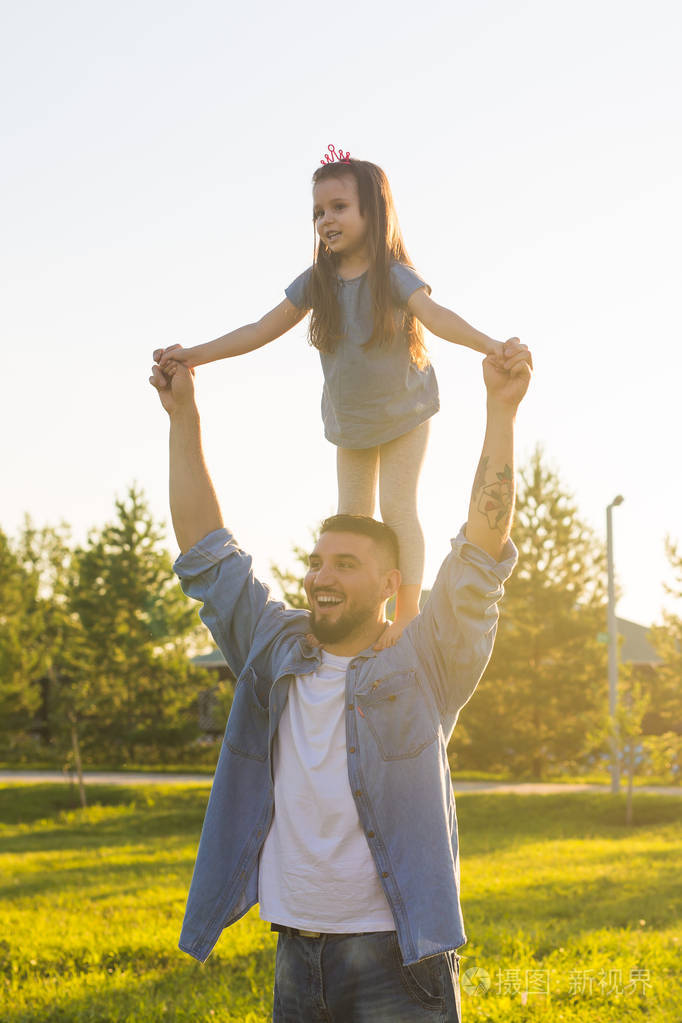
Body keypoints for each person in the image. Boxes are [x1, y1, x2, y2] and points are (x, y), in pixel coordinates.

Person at [149, 337, 533, 1022]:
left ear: (390, 583)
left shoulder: (422, 664)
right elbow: (206, 551)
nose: (321, 574)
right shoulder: (274, 646)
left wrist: (499, 411)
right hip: (299, 956)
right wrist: (184, 418)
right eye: (318, 560)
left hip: (400, 961)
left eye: (345, 563)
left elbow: (480, 556)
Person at [154, 152, 519, 649]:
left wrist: (491, 345)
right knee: (350, 519)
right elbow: (260, 330)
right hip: (350, 425)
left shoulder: (392, 275)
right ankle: (362, 613)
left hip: (404, 414)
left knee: (396, 507)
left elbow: (436, 316)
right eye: (319, 212)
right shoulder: (316, 282)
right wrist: (194, 354)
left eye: (340, 207)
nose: (327, 220)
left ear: (373, 212)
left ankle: (406, 610)